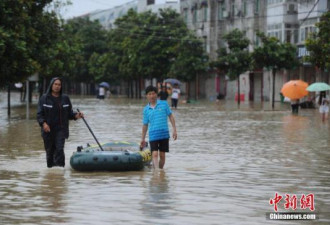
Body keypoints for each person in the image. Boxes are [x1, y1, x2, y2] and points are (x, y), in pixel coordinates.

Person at [37, 77, 83, 168]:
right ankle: (51, 172)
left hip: (61, 130)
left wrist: (76, 116)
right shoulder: (44, 98)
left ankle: (60, 172)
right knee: (50, 152)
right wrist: (44, 124)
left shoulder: (65, 98)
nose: (57, 86)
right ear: (51, 85)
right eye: (55, 84)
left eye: (59, 85)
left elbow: (69, 114)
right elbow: (39, 114)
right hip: (48, 130)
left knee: (59, 149)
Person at [140, 86, 177, 170]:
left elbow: (170, 116)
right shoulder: (146, 109)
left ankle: (160, 171)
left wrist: (174, 130)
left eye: (153, 93)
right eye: (149, 94)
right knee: (155, 154)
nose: (152, 96)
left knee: (162, 155)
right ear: (147, 96)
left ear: (156, 94)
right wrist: (142, 139)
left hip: (164, 134)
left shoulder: (164, 104)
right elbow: (145, 125)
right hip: (153, 135)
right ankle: (156, 173)